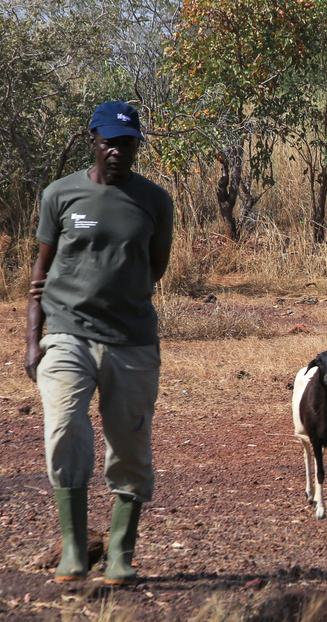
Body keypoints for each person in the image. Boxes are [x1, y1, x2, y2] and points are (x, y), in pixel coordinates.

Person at [25, 102, 173, 585]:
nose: (117, 151)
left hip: (132, 341)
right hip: (67, 333)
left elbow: (155, 268)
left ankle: (119, 555)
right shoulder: (60, 194)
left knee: (129, 444)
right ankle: (72, 549)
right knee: (64, 428)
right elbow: (40, 276)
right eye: (109, 141)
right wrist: (33, 339)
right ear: (93, 138)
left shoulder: (155, 201)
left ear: (136, 147)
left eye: (126, 143)